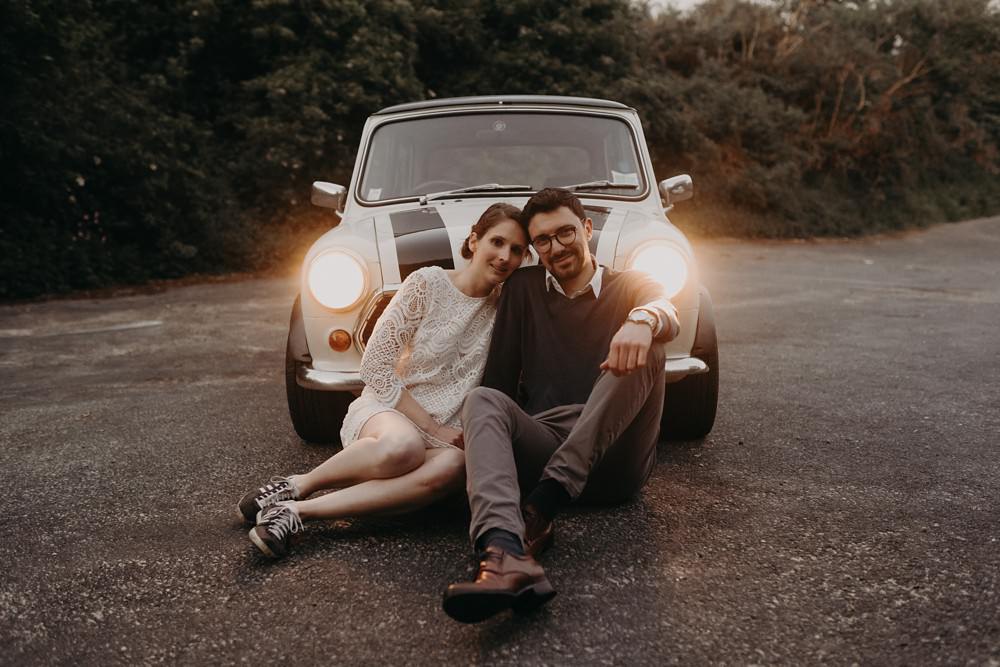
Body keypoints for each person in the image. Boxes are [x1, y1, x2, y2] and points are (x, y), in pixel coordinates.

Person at [441, 188, 680, 623]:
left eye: (565, 232)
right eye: (543, 241)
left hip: (614, 459)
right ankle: (504, 553)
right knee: (482, 398)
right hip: (544, 444)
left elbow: (666, 305)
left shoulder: (630, 286)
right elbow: (498, 380)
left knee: (653, 349)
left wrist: (643, 321)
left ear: (587, 230)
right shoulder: (523, 289)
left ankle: (544, 505)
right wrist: (479, 443)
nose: (556, 247)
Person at [237, 203, 529, 558]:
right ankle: (297, 486)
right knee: (402, 447)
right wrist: (432, 429)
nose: (504, 256)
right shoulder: (428, 282)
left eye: (516, 250)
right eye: (497, 242)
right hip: (392, 410)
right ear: (474, 239)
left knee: (455, 466)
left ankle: (297, 513)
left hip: (448, 434)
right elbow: (374, 366)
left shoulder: (509, 308)